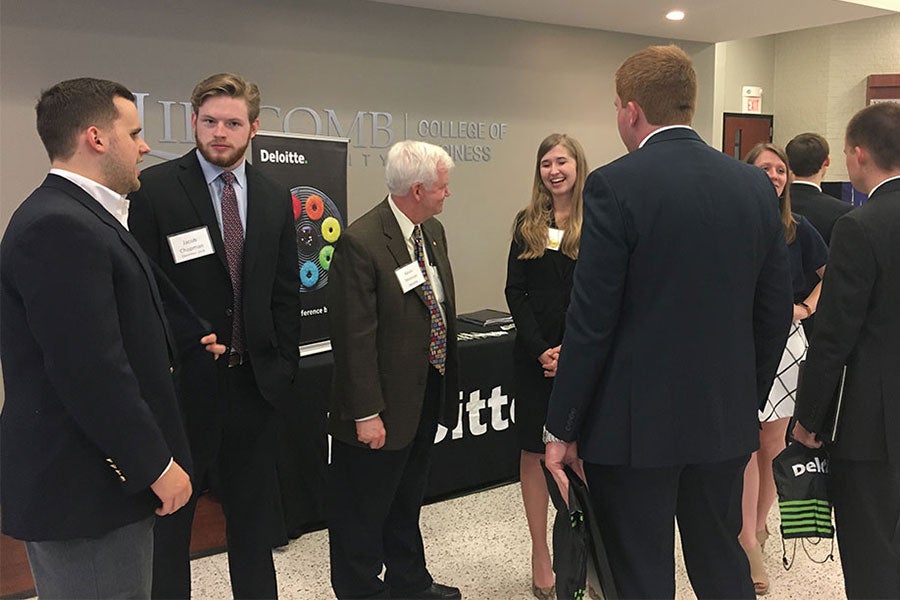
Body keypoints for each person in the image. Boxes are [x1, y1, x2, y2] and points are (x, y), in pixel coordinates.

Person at [543, 45, 793, 599]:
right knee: (722, 560)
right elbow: (775, 308)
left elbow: (591, 320)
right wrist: (743, 395)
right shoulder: (753, 185)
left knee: (639, 572)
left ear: (631, 111)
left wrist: (561, 426)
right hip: (722, 419)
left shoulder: (613, 185)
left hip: (633, 429)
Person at [0, 77, 220, 598]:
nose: (145, 146)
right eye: (136, 133)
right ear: (96, 138)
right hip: (87, 488)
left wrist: (189, 338)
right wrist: (156, 465)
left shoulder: (89, 217)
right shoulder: (59, 226)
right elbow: (90, 370)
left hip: (101, 481)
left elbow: (122, 319)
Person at [128, 72, 301, 599]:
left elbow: (285, 292)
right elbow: (139, 291)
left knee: (254, 524)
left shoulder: (274, 198)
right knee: (171, 524)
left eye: (232, 123)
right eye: (209, 121)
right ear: (193, 122)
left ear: (254, 127)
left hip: (253, 387)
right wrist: (170, 354)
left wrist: (283, 366)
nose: (219, 133)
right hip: (183, 390)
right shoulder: (155, 190)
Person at [326, 140, 461, 600]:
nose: (447, 194)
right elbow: (353, 337)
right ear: (418, 189)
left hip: (423, 394)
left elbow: (434, 306)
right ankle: (360, 590)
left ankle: (409, 582)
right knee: (362, 511)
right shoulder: (360, 242)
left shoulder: (433, 232)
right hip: (379, 408)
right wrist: (366, 412)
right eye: (442, 187)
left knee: (405, 501)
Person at [792, 101, 900, 599]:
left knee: (873, 550)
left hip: (875, 423)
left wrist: (809, 419)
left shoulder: (860, 226)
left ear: (858, 155)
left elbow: (834, 336)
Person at [740, 142, 828, 594]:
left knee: (772, 440)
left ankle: (757, 526)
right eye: (765, 168)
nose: (774, 176)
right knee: (742, 442)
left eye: (781, 170)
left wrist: (807, 308)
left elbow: (829, 270)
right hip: (741, 342)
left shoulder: (799, 227)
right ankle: (744, 538)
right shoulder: (732, 224)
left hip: (788, 343)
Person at [504, 133, 587, 599]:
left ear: (578, 165)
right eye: (546, 163)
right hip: (534, 360)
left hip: (584, 357)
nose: (554, 170)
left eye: (562, 161)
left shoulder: (597, 219)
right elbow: (516, 291)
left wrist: (573, 353)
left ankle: (585, 552)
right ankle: (541, 554)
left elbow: (600, 295)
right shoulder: (527, 223)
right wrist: (542, 351)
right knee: (536, 454)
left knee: (582, 455)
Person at [785, 132, 852, 339]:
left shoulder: (771, 208)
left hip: (770, 311)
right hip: (818, 317)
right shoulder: (843, 213)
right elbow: (841, 273)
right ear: (827, 162)